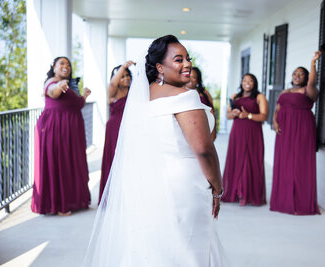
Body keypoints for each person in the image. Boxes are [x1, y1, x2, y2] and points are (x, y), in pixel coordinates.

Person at [83, 35, 226, 266]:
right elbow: (204, 150)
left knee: (155, 248)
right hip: (185, 186)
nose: (187, 64)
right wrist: (218, 188)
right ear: (160, 67)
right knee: (190, 250)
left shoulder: (142, 98)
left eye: (188, 58)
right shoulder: (186, 98)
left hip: (151, 183)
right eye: (178, 59)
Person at [31, 56, 91, 216]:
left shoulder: (69, 86)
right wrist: (59, 85)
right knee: (59, 162)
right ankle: (59, 205)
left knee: (71, 163)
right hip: (56, 129)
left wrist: (84, 96)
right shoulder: (52, 82)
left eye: (68, 64)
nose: (66, 66)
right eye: (62, 63)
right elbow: (53, 92)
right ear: (54, 67)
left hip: (71, 130)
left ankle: (70, 200)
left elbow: (77, 105)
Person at [270, 51, 322, 215]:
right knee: (284, 163)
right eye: (294, 73)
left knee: (300, 163)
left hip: (302, 130)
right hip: (284, 131)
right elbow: (277, 109)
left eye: (301, 74)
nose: (297, 76)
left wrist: (313, 63)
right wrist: (275, 122)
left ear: (306, 78)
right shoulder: (285, 92)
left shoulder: (309, 90)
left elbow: (313, 81)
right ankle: (282, 200)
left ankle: (301, 203)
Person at [221, 73, 268, 206]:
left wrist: (248, 115)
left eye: (251, 80)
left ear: (255, 83)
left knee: (250, 162)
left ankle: (249, 194)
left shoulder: (259, 97)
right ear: (241, 82)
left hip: (253, 133)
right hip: (238, 133)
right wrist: (233, 113)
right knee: (237, 161)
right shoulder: (234, 97)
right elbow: (228, 116)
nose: (247, 83)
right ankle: (236, 192)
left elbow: (264, 116)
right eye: (245, 80)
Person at [99, 61, 134, 204]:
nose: (125, 78)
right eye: (122, 76)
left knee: (129, 159)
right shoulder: (113, 91)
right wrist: (124, 66)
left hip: (131, 128)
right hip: (115, 129)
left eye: (127, 76)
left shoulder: (134, 92)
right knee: (115, 158)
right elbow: (113, 83)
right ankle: (113, 196)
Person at [185, 67, 217, 141]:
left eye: (194, 77)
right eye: (188, 76)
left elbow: (212, 111)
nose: (190, 79)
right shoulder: (180, 92)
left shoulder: (204, 93)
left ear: (198, 80)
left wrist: (213, 132)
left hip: (204, 126)